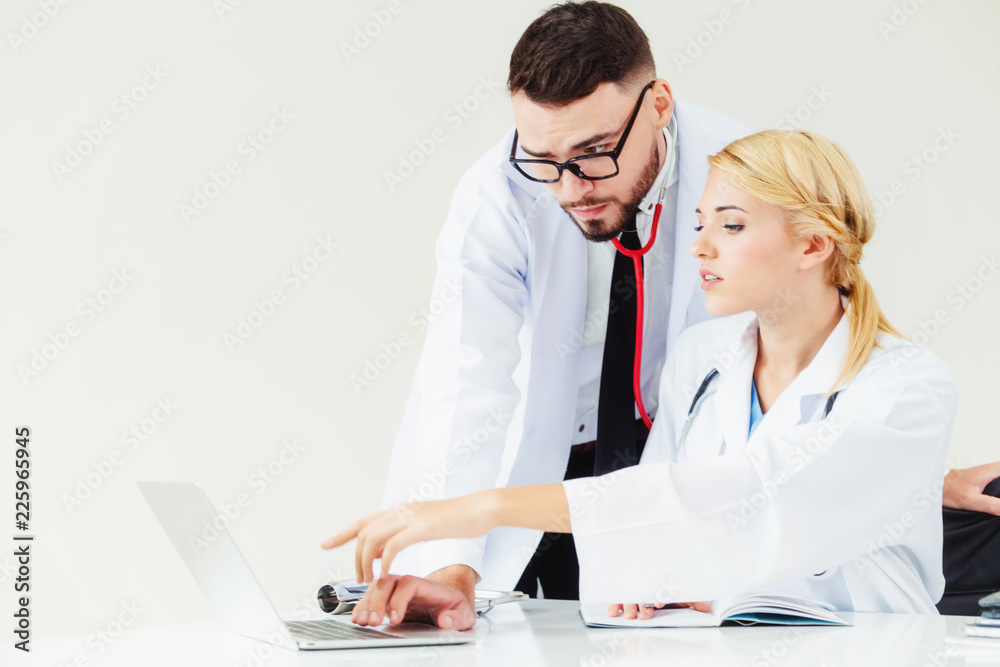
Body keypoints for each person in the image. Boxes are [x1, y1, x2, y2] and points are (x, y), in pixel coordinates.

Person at [325, 129, 960, 625]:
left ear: (814, 246)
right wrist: (650, 584)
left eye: (731, 226)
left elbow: (753, 499)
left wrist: (486, 507)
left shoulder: (907, 387)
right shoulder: (702, 357)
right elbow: (656, 517)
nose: (700, 248)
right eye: (700, 223)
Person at [357, 0, 748, 627]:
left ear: (659, 104)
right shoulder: (498, 193)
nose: (570, 188)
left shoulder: (741, 172)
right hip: (541, 472)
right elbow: (467, 379)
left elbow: (794, 351)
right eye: (543, 158)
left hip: (684, 465)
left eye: (594, 152)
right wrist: (452, 561)